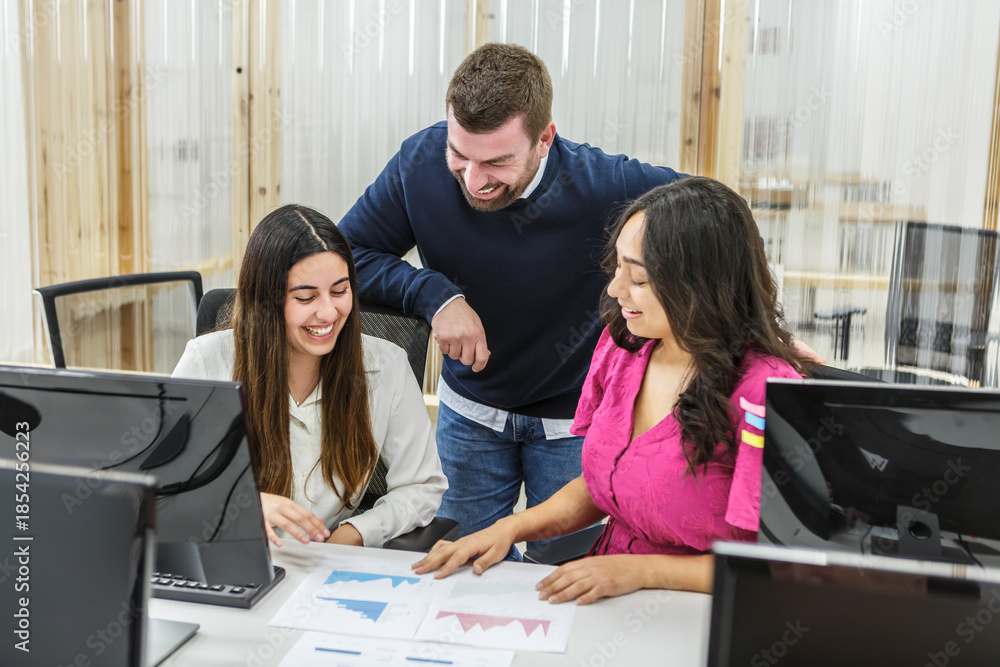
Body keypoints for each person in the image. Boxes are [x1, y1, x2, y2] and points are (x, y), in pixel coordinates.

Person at [338, 42, 684, 546]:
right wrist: (435, 294)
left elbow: (719, 219)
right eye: (460, 155)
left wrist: (754, 330)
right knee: (461, 565)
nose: (474, 180)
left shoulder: (606, 183)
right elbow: (347, 254)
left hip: (575, 424)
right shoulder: (420, 162)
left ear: (544, 139)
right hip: (468, 415)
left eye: (497, 162)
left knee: (564, 576)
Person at [413, 177, 807, 602]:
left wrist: (643, 571)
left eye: (638, 278)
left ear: (702, 285)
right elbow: (603, 485)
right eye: (618, 267)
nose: (615, 289)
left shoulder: (764, 393)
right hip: (610, 586)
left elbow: (779, 565)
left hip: (700, 607)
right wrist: (508, 529)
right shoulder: (625, 347)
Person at [172, 204, 447, 548]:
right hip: (231, 553)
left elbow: (421, 486)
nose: (328, 313)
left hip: (326, 560)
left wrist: (355, 533)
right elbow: (164, 485)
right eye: (305, 297)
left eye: (339, 291)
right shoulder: (206, 361)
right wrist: (244, 504)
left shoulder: (387, 365)